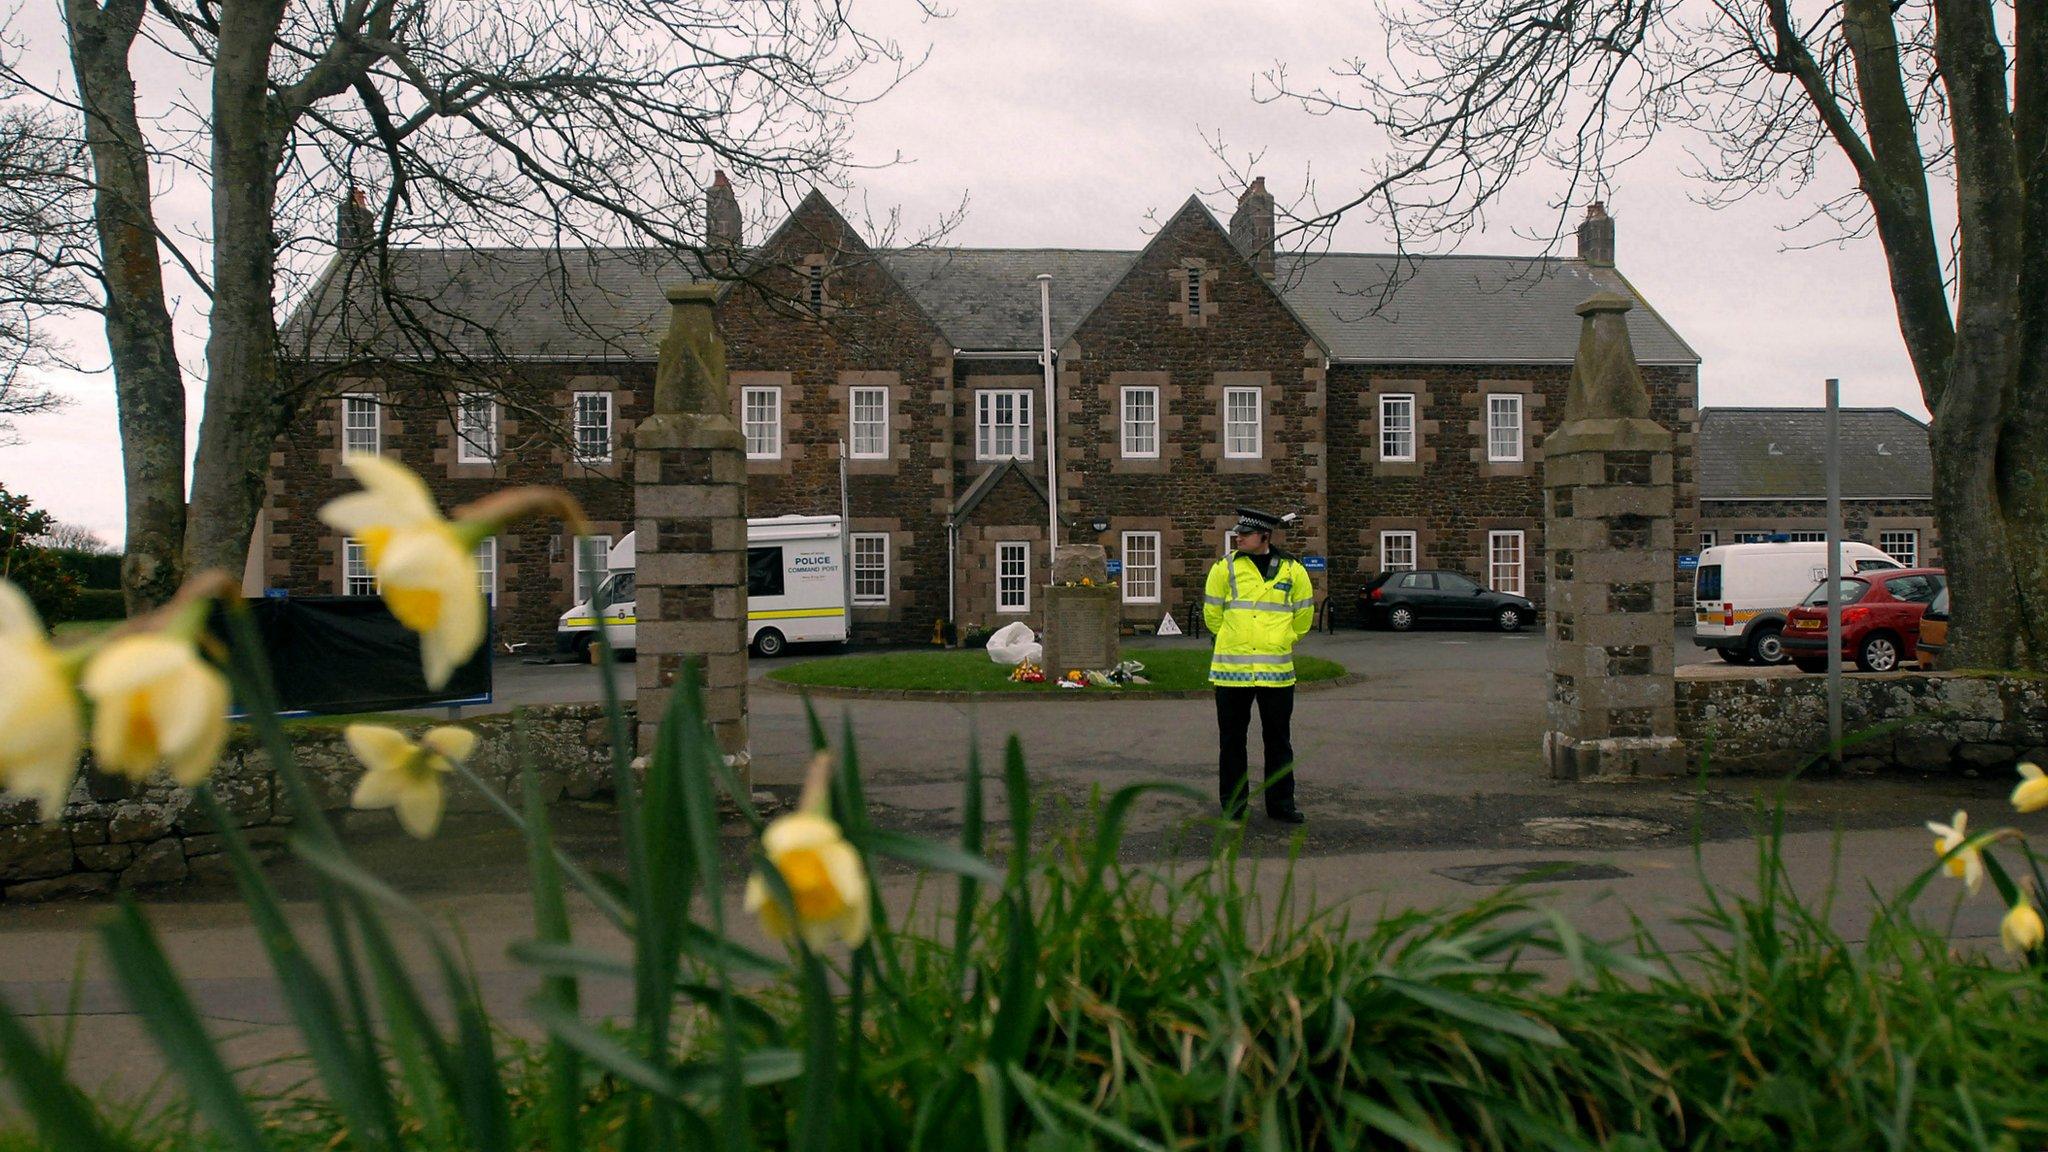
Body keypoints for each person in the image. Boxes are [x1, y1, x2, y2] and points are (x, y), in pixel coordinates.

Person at [1203, 507, 1314, 823]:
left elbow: (1303, 615)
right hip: (1231, 672)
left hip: (1276, 673)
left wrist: (1284, 639)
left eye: (1245, 534)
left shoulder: (1293, 570)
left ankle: (1281, 805)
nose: (1238, 537)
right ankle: (1233, 806)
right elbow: (1212, 615)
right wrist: (1229, 634)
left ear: (1264, 536)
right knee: (1232, 741)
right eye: (1238, 532)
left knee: (1278, 741)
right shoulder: (1223, 569)